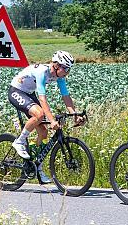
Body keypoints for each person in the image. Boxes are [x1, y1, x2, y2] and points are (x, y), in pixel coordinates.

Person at [8, 50, 84, 184]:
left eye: (69, 69)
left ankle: (36, 166)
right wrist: (52, 120)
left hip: (29, 94)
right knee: (40, 114)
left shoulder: (59, 77)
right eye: (65, 68)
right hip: (17, 91)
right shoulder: (42, 72)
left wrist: (74, 114)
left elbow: (65, 96)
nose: (67, 72)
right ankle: (19, 141)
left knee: (43, 132)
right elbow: (42, 100)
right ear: (56, 65)